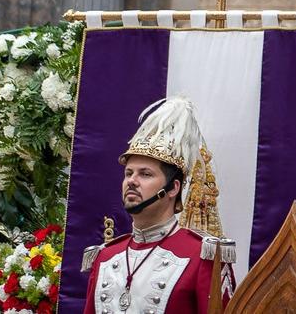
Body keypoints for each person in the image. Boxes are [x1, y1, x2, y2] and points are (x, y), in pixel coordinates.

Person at [81, 98, 235, 314]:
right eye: (128, 173)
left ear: (173, 188)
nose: (132, 181)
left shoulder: (203, 256)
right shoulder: (105, 256)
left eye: (145, 174)